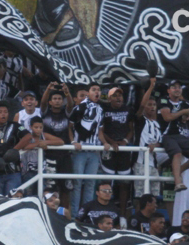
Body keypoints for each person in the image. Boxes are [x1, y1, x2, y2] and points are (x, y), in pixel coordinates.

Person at [69, 82, 104, 216]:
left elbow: (100, 131)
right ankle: (74, 216)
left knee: (90, 184)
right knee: (77, 184)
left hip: (94, 151)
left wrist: (105, 143)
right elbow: (70, 126)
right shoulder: (79, 108)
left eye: (99, 90)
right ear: (88, 92)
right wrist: (73, 141)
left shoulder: (100, 109)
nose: (97, 92)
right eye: (94, 89)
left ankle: (86, 215)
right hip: (80, 152)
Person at [99, 87, 133, 218]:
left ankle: (123, 216)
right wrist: (111, 142)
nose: (118, 98)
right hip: (109, 148)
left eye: (120, 95)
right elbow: (101, 129)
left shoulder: (128, 109)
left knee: (124, 183)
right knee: (107, 182)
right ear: (109, 98)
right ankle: (106, 212)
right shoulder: (104, 110)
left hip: (124, 149)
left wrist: (124, 141)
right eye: (115, 95)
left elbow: (131, 129)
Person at [13, 116, 64, 195]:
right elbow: (24, 147)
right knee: (27, 193)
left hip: (41, 169)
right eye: (36, 127)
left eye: (41, 127)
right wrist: (38, 144)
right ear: (31, 127)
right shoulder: (28, 136)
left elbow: (61, 141)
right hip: (28, 170)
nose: (38, 130)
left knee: (40, 192)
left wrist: (46, 142)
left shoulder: (44, 136)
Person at [133, 78, 165, 200]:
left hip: (154, 165)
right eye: (149, 104)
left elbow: (161, 142)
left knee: (154, 196)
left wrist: (155, 146)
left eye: (154, 105)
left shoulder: (158, 124)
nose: (152, 107)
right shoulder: (140, 120)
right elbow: (141, 106)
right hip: (141, 162)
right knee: (140, 196)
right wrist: (151, 87)